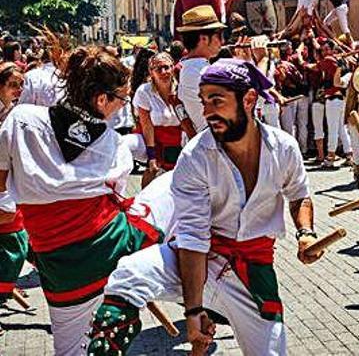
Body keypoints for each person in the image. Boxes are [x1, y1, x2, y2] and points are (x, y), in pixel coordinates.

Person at [86, 58, 320, 355]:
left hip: (251, 273)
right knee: (130, 273)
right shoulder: (195, 156)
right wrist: (194, 313)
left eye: (217, 101)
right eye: (203, 101)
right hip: (197, 259)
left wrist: (306, 233)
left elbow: (299, 195)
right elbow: (193, 239)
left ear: (248, 99)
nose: (207, 111)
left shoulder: (284, 147)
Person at [0, 46, 173, 355]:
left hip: (57, 268)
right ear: (101, 99)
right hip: (107, 251)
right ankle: (188, 293)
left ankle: (128, 302)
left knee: (67, 352)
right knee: (175, 185)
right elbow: (117, 200)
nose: (123, 108)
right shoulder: (112, 145)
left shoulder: (20, 120)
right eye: (122, 100)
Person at [133, 53, 196, 186]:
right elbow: (146, 125)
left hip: (181, 140)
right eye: (158, 69)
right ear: (151, 72)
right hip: (156, 141)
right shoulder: (144, 91)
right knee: (152, 175)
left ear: (173, 68)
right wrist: (152, 156)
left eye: (167, 67)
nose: (164, 72)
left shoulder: (182, 88)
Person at [177, 5, 226, 132]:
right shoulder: (200, 72)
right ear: (203, 38)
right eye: (219, 36)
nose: (223, 41)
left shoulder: (194, 67)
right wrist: (260, 60)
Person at [0, 63, 24, 314]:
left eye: (21, 85)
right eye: (13, 85)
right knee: (14, 241)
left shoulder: (11, 110)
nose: (18, 90)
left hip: (7, 180)